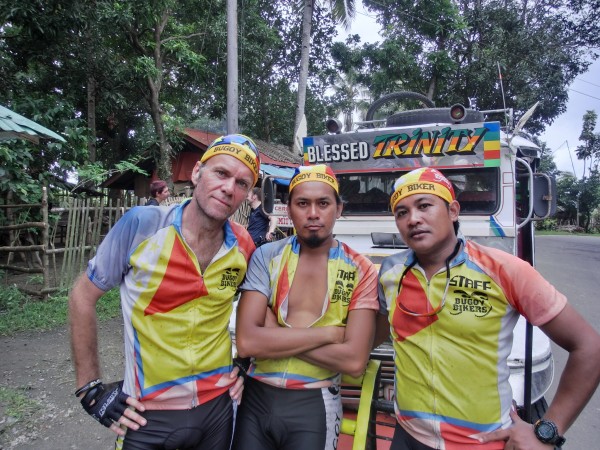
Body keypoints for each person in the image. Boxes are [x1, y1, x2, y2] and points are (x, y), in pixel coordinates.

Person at [375, 167, 600, 450]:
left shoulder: (504, 269)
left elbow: (589, 346)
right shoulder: (390, 272)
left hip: (482, 442)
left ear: (453, 211)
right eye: (402, 213)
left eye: (424, 206)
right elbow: (376, 335)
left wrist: (548, 432)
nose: (413, 219)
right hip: (407, 436)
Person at [69, 134, 261, 450]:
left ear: (246, 194)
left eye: (242, 183)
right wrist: (90, 389)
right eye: (221, 173)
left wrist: (245, 362)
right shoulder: (144, 226)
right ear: (198, 172)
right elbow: (82, 295)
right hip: (147, 415)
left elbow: (259, 305)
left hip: (218, 410)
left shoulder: (243, 244)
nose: (229, 187)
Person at [231, 164, 379, 450]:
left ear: (338, 209)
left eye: (323, 203)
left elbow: (353, 361)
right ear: (289, 208)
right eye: (302, 203)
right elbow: (248, 342)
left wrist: (274, 333)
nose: (313, 213)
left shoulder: (361, 269)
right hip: (255, 398)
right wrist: (332, 335)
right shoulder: (267, 256)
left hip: (315, 403)